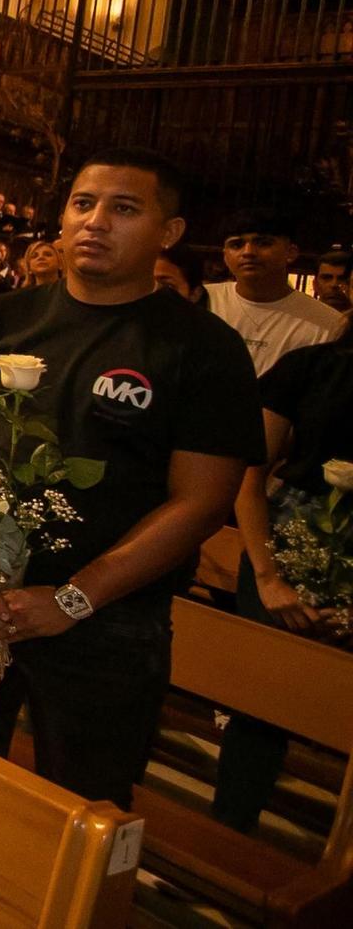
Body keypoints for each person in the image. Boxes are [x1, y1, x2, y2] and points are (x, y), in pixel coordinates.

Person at [0, 149, 264, 929]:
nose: (96, 221)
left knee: (81, 805)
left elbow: (200, 501)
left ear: (170, 230)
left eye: (124, 208)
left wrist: (71, 597)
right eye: (84, 203)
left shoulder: (201, 348)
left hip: (105, 621)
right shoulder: (2, 318)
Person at [211, 312, 353, 831]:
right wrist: (269, 576)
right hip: (291, 541)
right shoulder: (311, 367)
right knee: (262, 703)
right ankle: (229, 837)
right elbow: (249, 475)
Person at [205, 209, 340, 374]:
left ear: (290, 253)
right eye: (237, 244)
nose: (248, 252)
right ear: (225, 256)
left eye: (263, 243)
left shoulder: (328, 323)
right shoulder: (201, 301)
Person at [315, 248, 351, 312]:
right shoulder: (299, 318)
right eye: (326, 278)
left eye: (342, 279)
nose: (334, 284)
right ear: (315, 284)